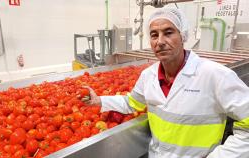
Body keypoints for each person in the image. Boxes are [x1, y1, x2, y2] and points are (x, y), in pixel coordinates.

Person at [85, 8, 249, 158]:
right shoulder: (148, 76)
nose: (160, 41)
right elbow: (131, 103)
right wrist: (100, 100)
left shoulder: (215, 75)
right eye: (154, 35)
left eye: (168, 32)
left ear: (183, 36)